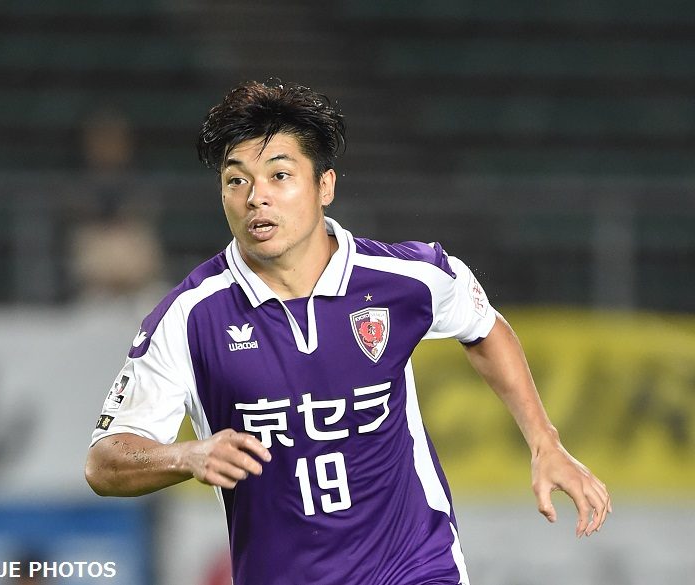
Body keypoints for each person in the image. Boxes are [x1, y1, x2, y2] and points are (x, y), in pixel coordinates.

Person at [85, 80, 611, 585]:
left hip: (415, 567)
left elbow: (484, 328)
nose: (256, 198)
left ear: (325, 186)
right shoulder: (189, 317)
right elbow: (105, 461)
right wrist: (186, 455)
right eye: (236, 180)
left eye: (279, 175)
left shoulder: (406, 279)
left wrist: (544, 442)